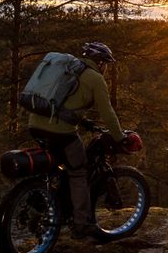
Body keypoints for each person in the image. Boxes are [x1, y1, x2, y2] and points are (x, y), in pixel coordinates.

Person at [28, 41, 126, 238]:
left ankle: (46, 202)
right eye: (106, 64)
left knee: (57, 166)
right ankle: (81, 224)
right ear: (100, 63)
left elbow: (62, 102)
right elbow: (108, 113)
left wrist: (84, 121)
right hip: (60, 132)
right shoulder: (95, 78)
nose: (106, 69)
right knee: (79, 171)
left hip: (35, 124)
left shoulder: (67, 69)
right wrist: (120, 137)